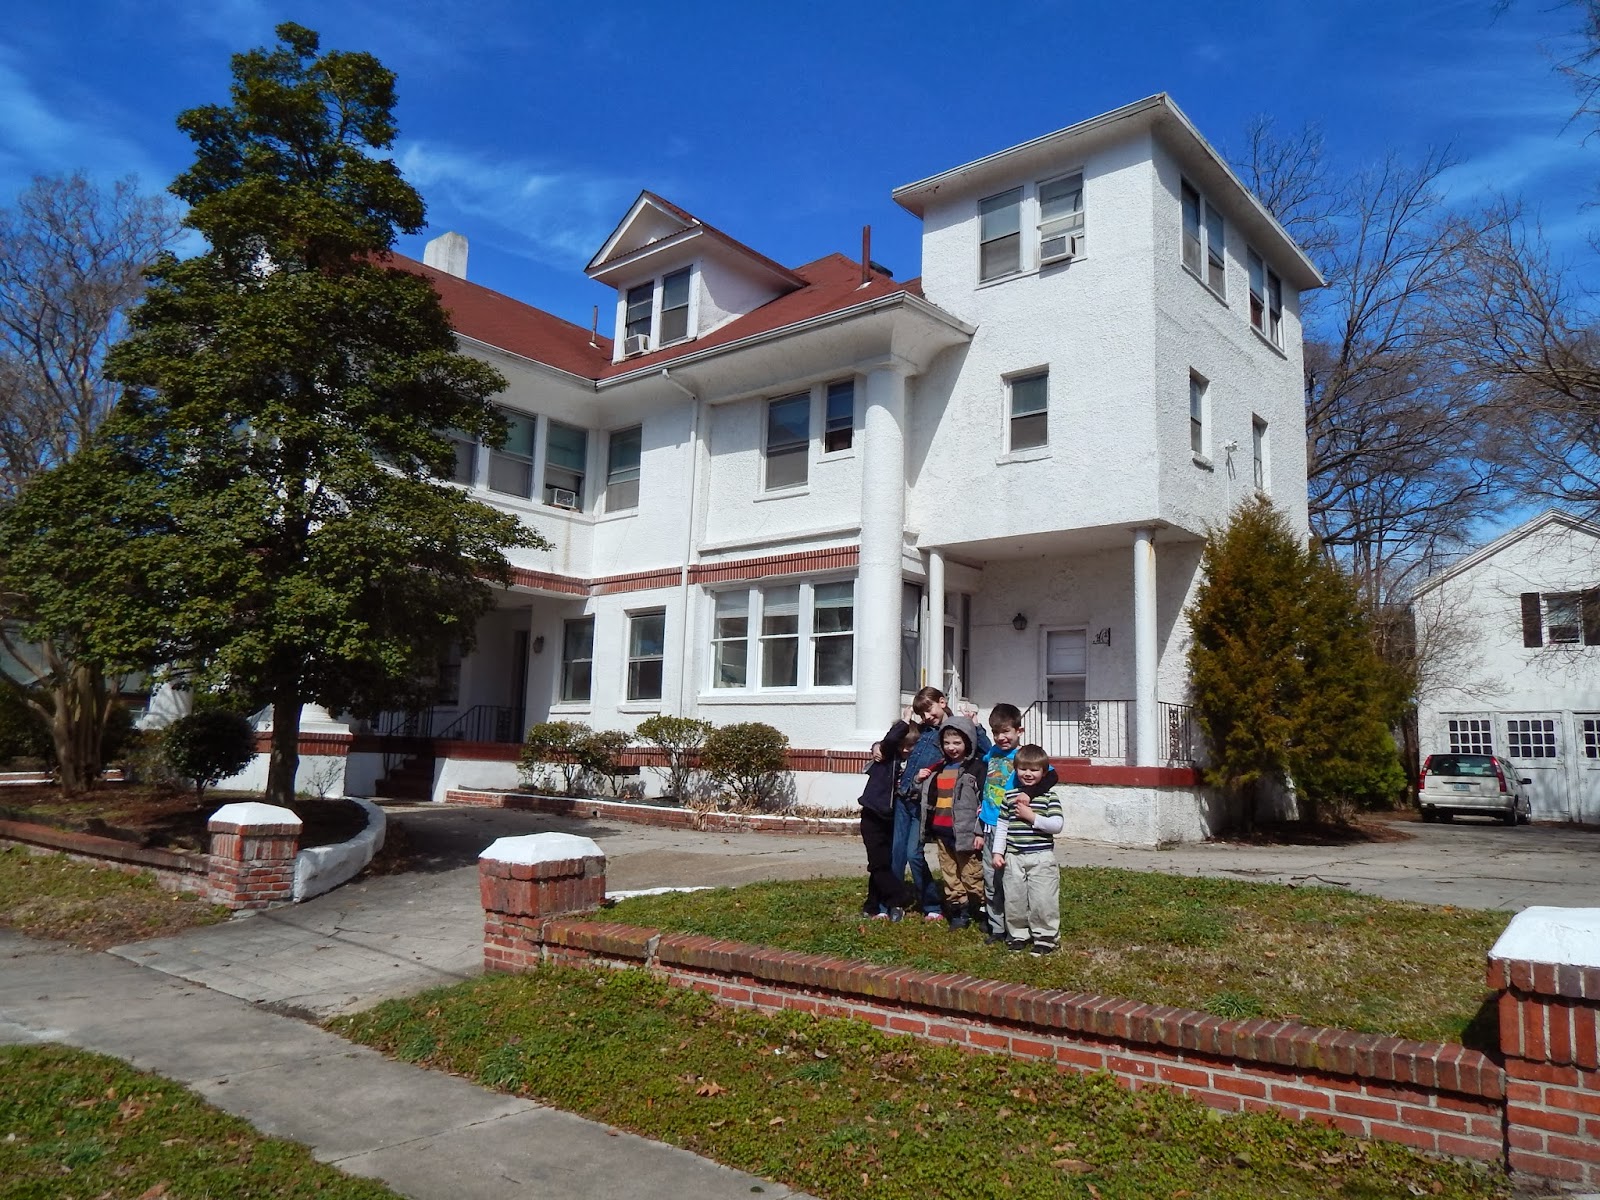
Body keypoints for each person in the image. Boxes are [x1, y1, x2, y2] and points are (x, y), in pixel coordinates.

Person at [890, 687, 991, 920]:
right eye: (921, 714)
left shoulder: (956, 732)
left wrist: (976, 727)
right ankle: (895, 902)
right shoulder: (923, 730)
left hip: (923, 804)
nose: (926, 717)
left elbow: (986, 752)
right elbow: (894, 745)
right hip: (904, 797)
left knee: (914, 854)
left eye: (929, 710)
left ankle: (933, 904)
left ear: (942, 702)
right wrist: (904, 723)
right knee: (896, 854)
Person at [991, 743, 1064, 955]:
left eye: (1034, 769)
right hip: (1014, 856)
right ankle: (1018, 935)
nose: (1028, 774)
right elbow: (1002, 826)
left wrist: (1031, 817)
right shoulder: (1009, 796)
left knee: (1043, 898)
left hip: (1041, 857)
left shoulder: (1049, 797)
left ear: (1044, 772)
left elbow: (1057, 825)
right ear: (1016, 770)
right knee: (1015, 899)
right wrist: (998, 852)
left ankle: (1046, 936)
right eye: (1023, 769)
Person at [919, 714, 986, 930]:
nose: (951, 747)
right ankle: (959, 912)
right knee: (950, 876)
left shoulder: (976, 768)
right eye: (947, 742)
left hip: (966, 833)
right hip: (942, 831)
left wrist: (979, 831)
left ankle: (986, 911)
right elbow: (925, 796)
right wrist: (918, 780)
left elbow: (984, 802)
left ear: (969, 742)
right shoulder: (938, 768)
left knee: (971, 875)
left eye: (957, 742)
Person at [857, 719, 917, 920]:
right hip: (872, 815)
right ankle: (898, 896)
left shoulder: (912, 763)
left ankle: (872, 904)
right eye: (902, 745)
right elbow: (889, 741)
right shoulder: (886, 757)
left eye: (910, 745)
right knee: (877, 863)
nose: (906, 750)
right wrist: (904, 722)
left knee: (882, 863)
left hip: (892, 818)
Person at [979, 703, 1024, 944]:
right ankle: (996, 926)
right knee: (990, 876)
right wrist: (976, 727)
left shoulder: (1024, 756)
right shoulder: (993, 753)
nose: (1000, 737)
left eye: (1006, 731)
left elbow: (1049, 774)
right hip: (989, 825)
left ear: (1019, 731)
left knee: (1012, 877)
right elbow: (981, 747)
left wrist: (1029, 796)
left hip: (1011, 826)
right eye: (996, 732)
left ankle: (1016, 927)